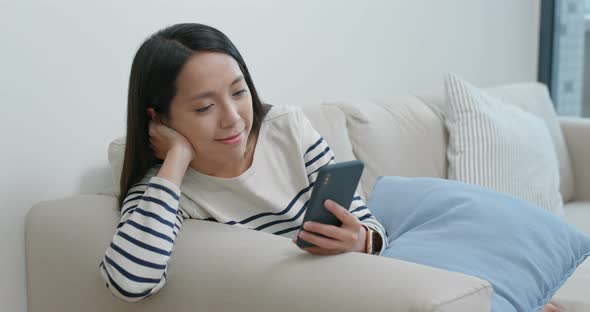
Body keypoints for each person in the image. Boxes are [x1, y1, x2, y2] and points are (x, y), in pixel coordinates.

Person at [98, 23, 563, 312]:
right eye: (204, 108)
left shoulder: (285, 127)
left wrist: (361, 239)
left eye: (238, 92)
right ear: (158, 118)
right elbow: (131, 282)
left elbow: (371, 227)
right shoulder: (164, 192)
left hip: (358, 281)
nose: (234, 118)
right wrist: (176, 160)